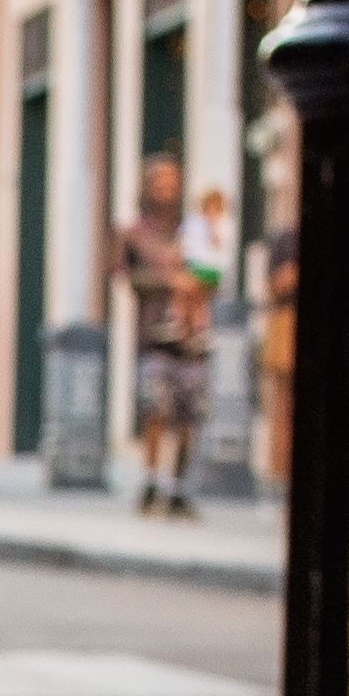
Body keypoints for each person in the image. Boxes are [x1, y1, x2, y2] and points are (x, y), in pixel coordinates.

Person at [119, 153, 212, 518]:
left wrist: (198, 281)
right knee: (156, 409)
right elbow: (127, 276)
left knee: (189, 415)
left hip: (192, 335)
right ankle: (151, 481)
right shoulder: (135, 233)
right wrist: (166, 281)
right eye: (159, 182)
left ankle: (179, 486)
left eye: (172, 181)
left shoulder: (195, 231)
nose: (166, 188)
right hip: (155, 333)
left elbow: (213, 275)